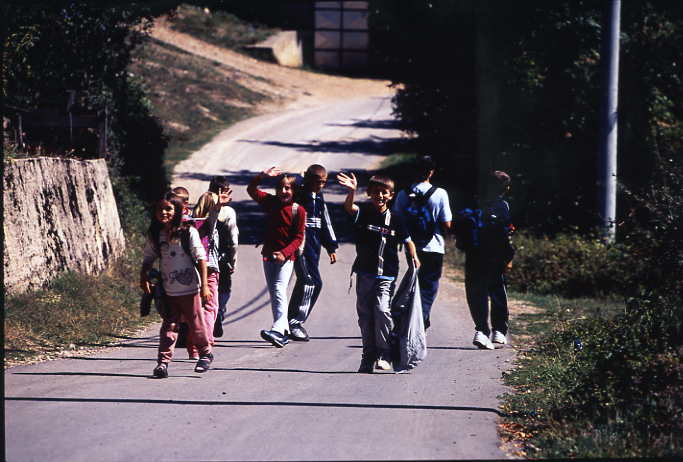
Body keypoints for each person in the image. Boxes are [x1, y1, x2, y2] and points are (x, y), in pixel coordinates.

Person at [337, 171, 420, 373]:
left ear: (391, 195)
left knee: (382, 310)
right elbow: (349, 207)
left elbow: (408, 242)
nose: (380, 196)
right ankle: (368, 356)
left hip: (386, 274)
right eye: (376, 192)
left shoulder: (397, 219)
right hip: (365, 274)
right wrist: (351, 191)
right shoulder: (364, 213)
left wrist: (414, 259)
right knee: (365, 316)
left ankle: (384, 353)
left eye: (384, 193)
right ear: (369, 193)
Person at [140, 194, 213, 378]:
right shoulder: (156, 234)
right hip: (169, 290)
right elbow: (148, 258)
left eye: (168, 209)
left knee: (196, 323)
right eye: (160, 209)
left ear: (177, 211)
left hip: (190, 289)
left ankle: (205, 353)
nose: (163, 213)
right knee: (169, 326)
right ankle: (163, 363)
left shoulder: (188, 232)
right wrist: (144, 276)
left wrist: (205, 286)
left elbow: (201, 259)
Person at [247, 166, 306, 348]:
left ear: (294, 191)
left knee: (279, 289)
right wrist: (262, 176)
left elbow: (298, 238)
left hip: (286, 258)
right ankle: (283, 331)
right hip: (268, 255)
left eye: (288, 188)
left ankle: (278, 329)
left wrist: (284, 253)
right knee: (274, 293)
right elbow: (251, 190)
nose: (283, 191)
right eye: (280, 187)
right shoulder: (271, 202)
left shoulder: (298, 210)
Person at [392, 155, 452, 329]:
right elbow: (446, 223)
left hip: (412, 247)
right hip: (434, 247)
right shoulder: (440, 194)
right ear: (431, 172)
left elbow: (397, 219)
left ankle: (410, 318)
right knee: (429, 286)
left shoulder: (404, 194)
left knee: (414, 283)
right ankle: (422, 317)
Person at [463, 170, 515, 350]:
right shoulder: (503, 206)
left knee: (476, 293)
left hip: (473, 255)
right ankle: (499, 331)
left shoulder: (474, 203)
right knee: (498, 292)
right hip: (496, 256)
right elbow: (506, 235)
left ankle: (481, 330)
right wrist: (509, 258)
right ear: (505, 188)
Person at [287, 164, 338, 341]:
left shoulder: (319, 198)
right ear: (307, 179)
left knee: (313, 283)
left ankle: (292, 321)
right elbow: (287, 183)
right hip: (300, 248)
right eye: (317, 182)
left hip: (314, 249)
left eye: (323, 182)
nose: (320, 185)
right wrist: (300, 178)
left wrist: (331, 247)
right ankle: (294, 323)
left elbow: (326, 222)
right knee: (309, 282)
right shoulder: (298, 195)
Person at [184, 190, 230, 359]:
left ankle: (193, 348)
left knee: (195, 310)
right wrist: (218, 205)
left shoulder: (188, 222)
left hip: (190, 268)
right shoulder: (207, 224)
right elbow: (213, 215)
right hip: (208, 269)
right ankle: (206, 343)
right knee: (210, 308)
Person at [208, 176, 238, 338]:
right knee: (224, 287)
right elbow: (233, 239)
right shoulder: (228, 212)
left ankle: (211, 315)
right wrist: (233, 261)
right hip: (222, 256)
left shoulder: (203, 206)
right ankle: (219, 311)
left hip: (205, 256)